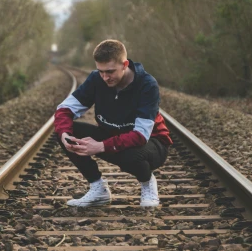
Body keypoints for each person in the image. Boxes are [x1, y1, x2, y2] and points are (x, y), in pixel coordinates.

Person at [54, 39, 172, 207]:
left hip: (152, 144)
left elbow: (140, 136)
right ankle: (98, 189)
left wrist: (100, 146)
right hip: (115, 136)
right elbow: (64, 109)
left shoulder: (147, 84)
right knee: (66, 132)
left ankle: (147, 182)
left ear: (124, 65)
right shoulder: (97, 80)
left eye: (110, 71)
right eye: (100, 71)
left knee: (132, 155)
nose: (105, 77)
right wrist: (65, 133)